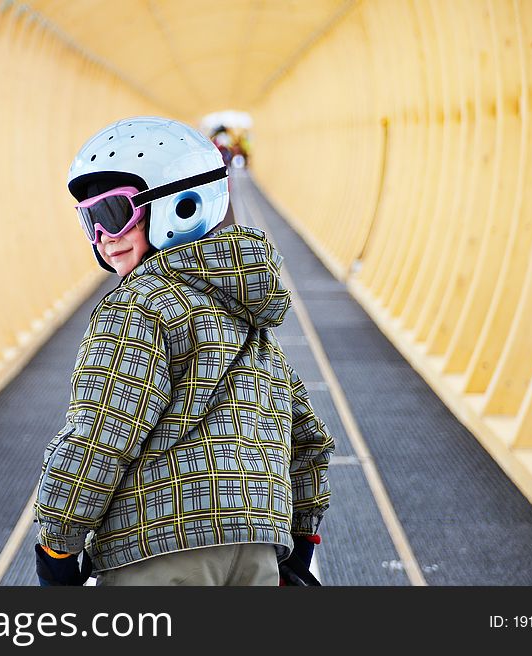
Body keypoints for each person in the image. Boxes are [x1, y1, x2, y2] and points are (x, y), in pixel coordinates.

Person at [33, 116, 334, 586]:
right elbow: (308, 438)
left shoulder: (138, 306)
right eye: (89, 220)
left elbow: (100, 435)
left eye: (114, 214)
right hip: (257, 545)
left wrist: (58, 545)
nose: (103, 237)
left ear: (182, 205)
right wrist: (299, 540)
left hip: (158, 548)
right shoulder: (249, 316)